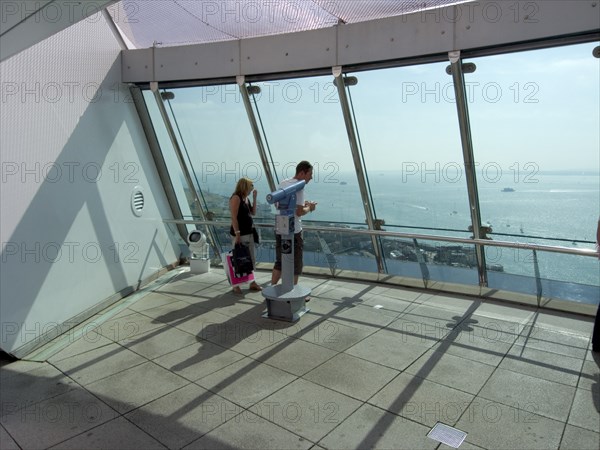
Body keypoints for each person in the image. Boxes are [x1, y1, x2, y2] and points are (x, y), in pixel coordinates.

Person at [271, 160, 317, 288]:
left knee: (280, 261)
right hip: (294, 230)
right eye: (310, 174)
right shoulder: (299, 187)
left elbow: (278, 203)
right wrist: (310, 207)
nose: (311, 178)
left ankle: (271, 288)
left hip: (280, 226)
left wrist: (302, 204)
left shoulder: (284, 183)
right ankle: (293, 292)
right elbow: (299, 212)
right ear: (302, 173)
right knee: (296, 264)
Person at [229, 177, 262, 294]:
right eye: (250, 186)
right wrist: (237, 234)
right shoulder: (236, 198)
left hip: (249, 233)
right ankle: (236, 284)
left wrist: (254, 198)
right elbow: (233, 217)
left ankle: (252, 282)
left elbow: (253, 212)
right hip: (240, 234)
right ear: (245, 186)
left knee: (250, 259)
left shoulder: (245, 198)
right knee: (238, 259)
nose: (252, 188)